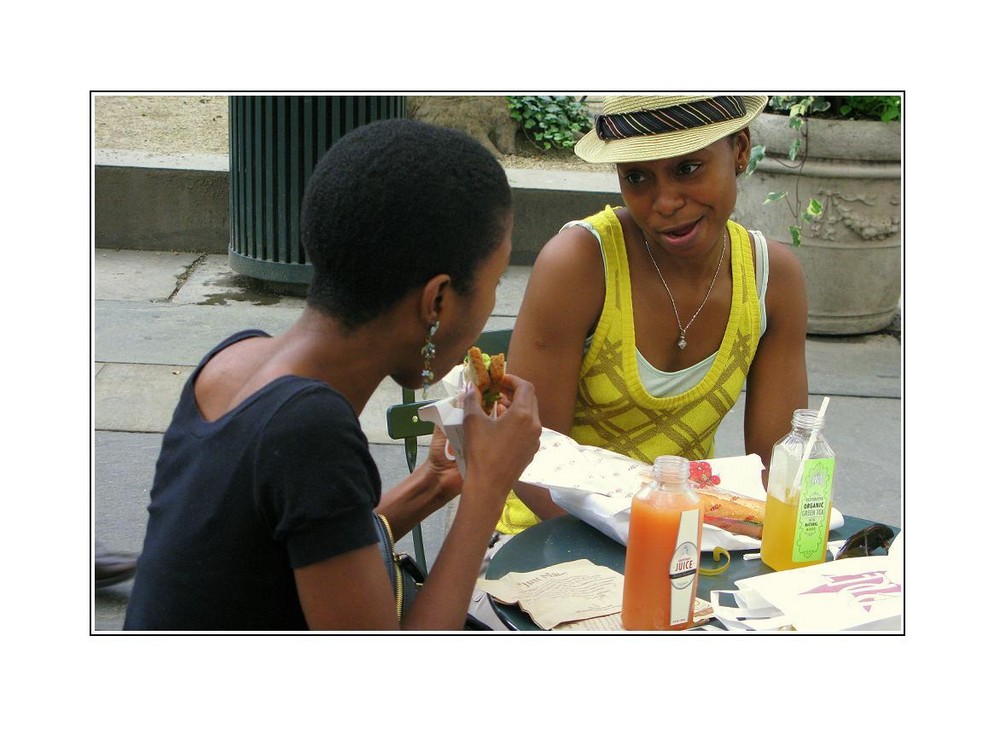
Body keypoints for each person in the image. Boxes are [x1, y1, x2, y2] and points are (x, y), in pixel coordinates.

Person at [123, 118, 541, 631]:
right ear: (437, 300)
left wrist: (435, 484)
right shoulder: (311, 431)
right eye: (495, 282)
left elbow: (311, 542)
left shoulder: (235, 360)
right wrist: (489, 489)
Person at [468, 95, 808, 627]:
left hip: (684, 550)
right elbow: (531, 457)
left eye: (688, 168)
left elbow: (779, 470)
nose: (664, 202)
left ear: (739, 151)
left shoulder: (773, 279)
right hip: (538, 544)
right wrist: (648, 547)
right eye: (637, 177)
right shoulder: (581, 263)